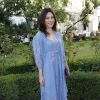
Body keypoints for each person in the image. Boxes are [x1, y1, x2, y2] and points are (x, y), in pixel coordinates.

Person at [32, 8, 70, 100]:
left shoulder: (58, 34)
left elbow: (62, 51)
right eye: (47, 18)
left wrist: (66, 65)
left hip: (59, 68)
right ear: (43, 20)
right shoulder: (39, 36)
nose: (50, 20)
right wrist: (40, 75)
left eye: (52, 17)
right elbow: (38, 56)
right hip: (48, 70)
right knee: (50, 93)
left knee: (60, 90)